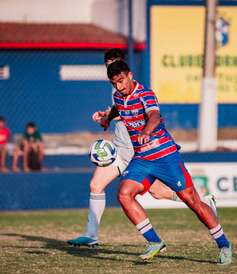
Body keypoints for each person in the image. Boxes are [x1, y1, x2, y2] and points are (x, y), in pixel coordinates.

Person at [68, 49, 217, 247]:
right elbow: (119, 110)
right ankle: (92, 234)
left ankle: (204, 204)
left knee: (159, 192)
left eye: (115, 62)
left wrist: (128, 123)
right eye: (108, 63)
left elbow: (143, 115)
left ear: (127, 70)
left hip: (138, 151)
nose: (111, 66)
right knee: (96, 185)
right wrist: (105, 117)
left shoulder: (135, 89)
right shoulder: (117, 91)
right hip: (120, 150)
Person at [106, 60, 232, 265]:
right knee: (124, 194)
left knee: (193, 202)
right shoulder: (119, 97)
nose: (119, 87)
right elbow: (117, 108)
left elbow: (154, 115)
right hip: (142, 158)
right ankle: (155, 242)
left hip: (165, 156)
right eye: (114, 84)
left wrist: (146, 131)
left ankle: (224, 244)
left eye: (121, 81)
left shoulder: (145, 94)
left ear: (129, 75)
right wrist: (106, 118)